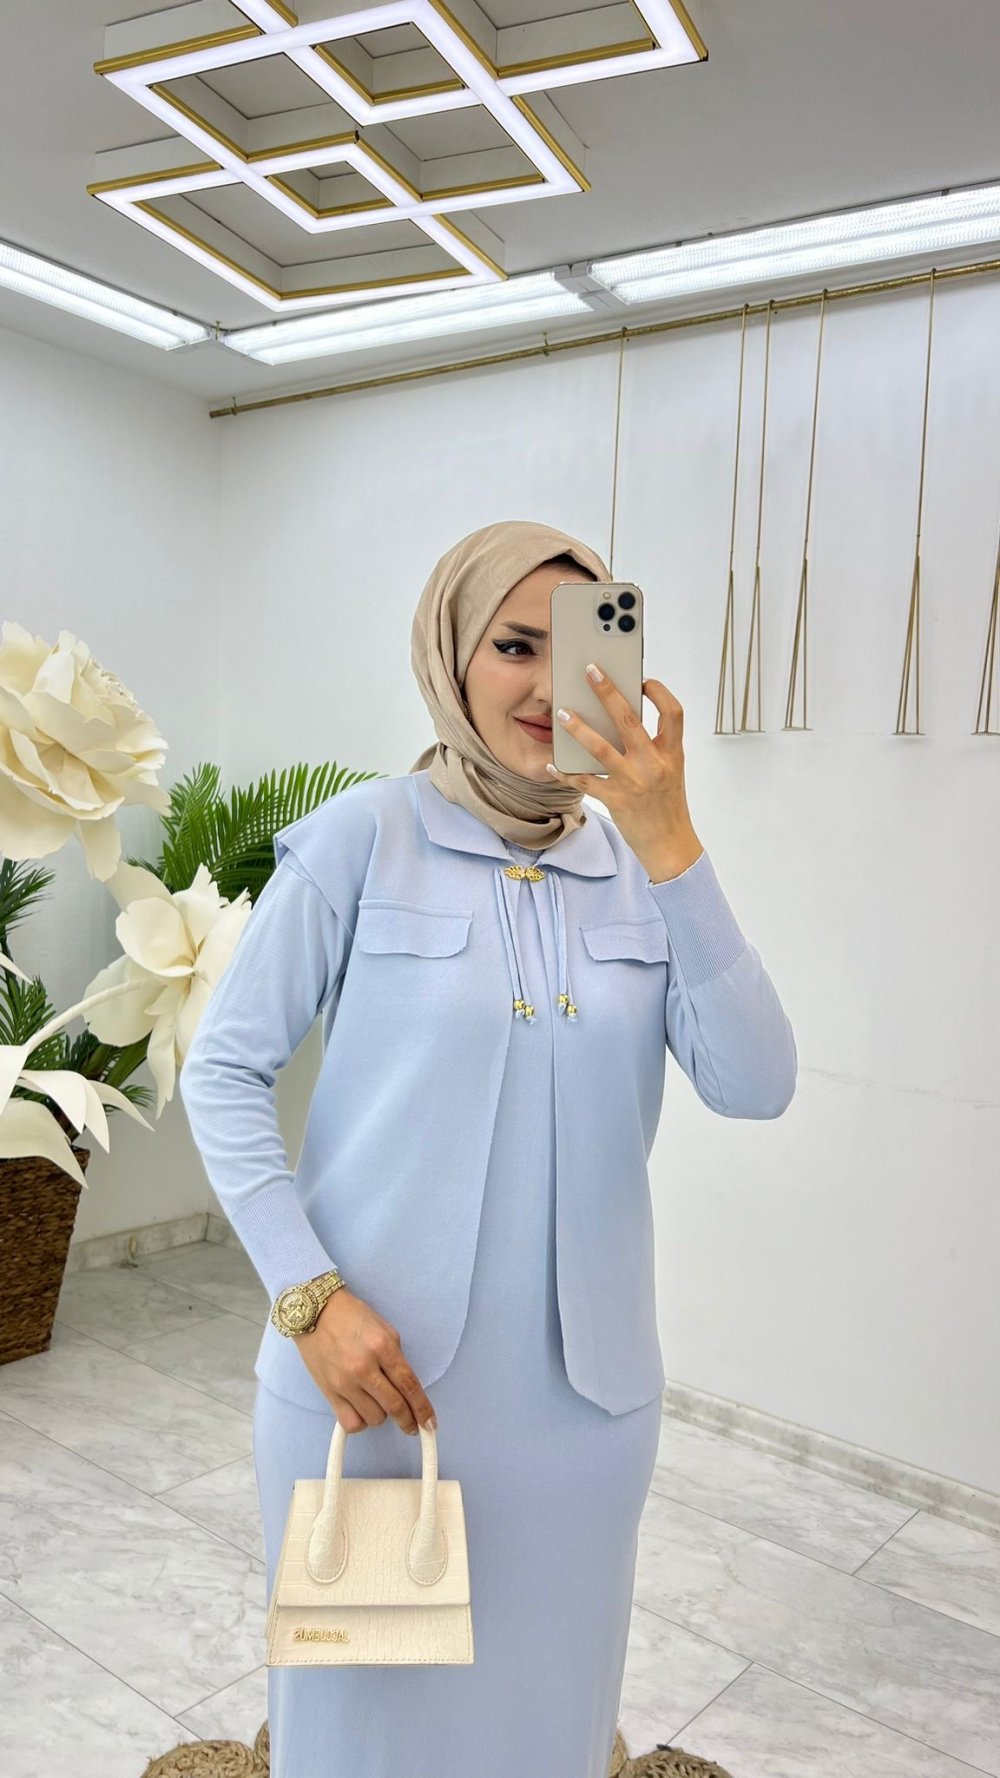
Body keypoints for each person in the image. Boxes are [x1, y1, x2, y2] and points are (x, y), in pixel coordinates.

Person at [179, 518, 797, 1778]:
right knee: (360, 1730)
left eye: (573, 651)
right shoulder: (363, 837)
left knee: (546, 1723)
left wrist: (671, 842)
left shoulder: (644, 874)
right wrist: (309, 1298)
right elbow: (223, 1070)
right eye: (513, 645)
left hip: (583, 1413)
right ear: (449, 655)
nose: (544, 683)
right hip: (371, 1393)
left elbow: (756, 1083)